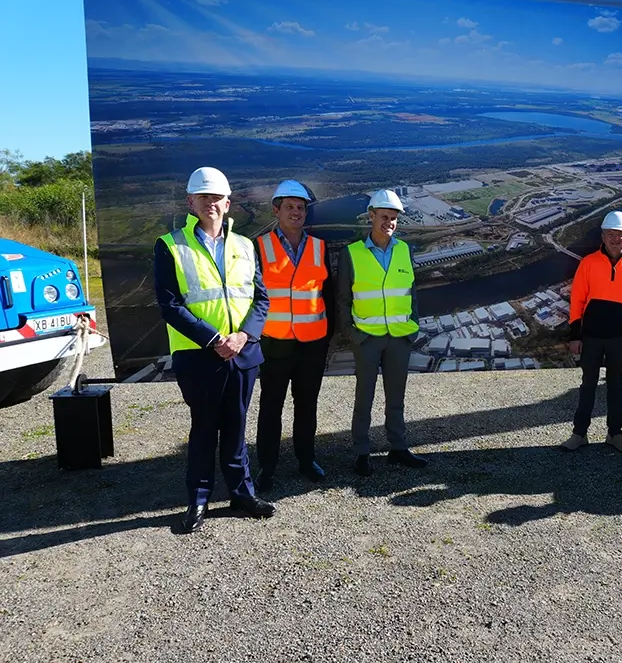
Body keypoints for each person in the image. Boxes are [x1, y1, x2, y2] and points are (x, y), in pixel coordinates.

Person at [153, 167, 276, 534]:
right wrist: (214, 340)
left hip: (242, 354)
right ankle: (199, 498)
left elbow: (261, 299)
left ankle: (242, 494)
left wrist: (243, 336)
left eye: (216, 197)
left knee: (237, 427)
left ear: (228, 203)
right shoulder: (170, 245)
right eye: (203, 197)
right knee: (204, 428)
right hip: (198, 356)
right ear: (190, 202)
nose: (211, 203)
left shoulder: (245, 245)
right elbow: (170, 305)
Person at [337, 189, 427, 477]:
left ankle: (398, 448)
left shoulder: (404, 250)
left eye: (393, 218)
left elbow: (411, 293)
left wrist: (413, 326)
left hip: (399, 337)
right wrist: (353, 335)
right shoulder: (352, 253)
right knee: (364, 397)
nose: (389, 222)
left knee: (396, 397)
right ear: (371, 216)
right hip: (367, 338)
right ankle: (361, 452)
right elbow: (342, 300)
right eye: (384, 216)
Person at [253, 180, 336, 492]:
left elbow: (327, 294)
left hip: (312, 344)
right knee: (270, 407)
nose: (296, 212)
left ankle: (306, 460)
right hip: (274, 343)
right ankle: (267, 467)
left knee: (307, 405)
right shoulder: (259, 247)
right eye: (289, 206)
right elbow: (252, 296)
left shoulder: (319, 247)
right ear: (276, 211)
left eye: (300, 207)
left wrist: (327, 336)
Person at [561, 210, 622, 453]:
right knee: (588, 385)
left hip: (619, 338)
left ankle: (615, 434)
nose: (615, 239)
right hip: (591, 337)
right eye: (610, 234)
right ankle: (579, 434)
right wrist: (575, 335)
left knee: (615, 387)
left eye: (620, 234)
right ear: (602, 236)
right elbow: (577, 300)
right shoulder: (588, 263)